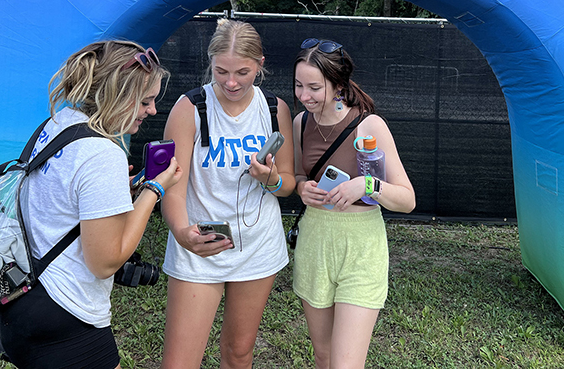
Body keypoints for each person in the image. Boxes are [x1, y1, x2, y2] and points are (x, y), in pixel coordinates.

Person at [0, 40, 182, 369]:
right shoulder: (102, 154)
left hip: (19, 298)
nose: (151, 110)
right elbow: (105, 262)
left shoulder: (60, 124)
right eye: (145, 101)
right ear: (118, 96)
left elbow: (62, 202)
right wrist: (152, 191)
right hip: (65, 316)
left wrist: (117, 194)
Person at [160, 18, 295, 369]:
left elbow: (289, 183)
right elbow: (171, 185)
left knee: (238, 353)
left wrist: (271, 179)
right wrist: (181, 233)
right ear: (210, 63)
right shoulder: (190, 108)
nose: (231, 82)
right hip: (200, 245)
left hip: (258, 246)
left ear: (260, 64)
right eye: (221, 71)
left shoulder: (274, 109)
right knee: (180, 361)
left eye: (243, 72)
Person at [292, 38, 416, 369]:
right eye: (299, 85)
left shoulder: (369, 125)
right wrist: (303, 189)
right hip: (315, 243)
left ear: (339, 86)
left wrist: (367, 185)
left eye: (314, 87)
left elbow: (407, 199)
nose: (304, 96)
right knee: (324, 356)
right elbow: (296, 177)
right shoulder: (300, 123)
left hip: (362, 248)